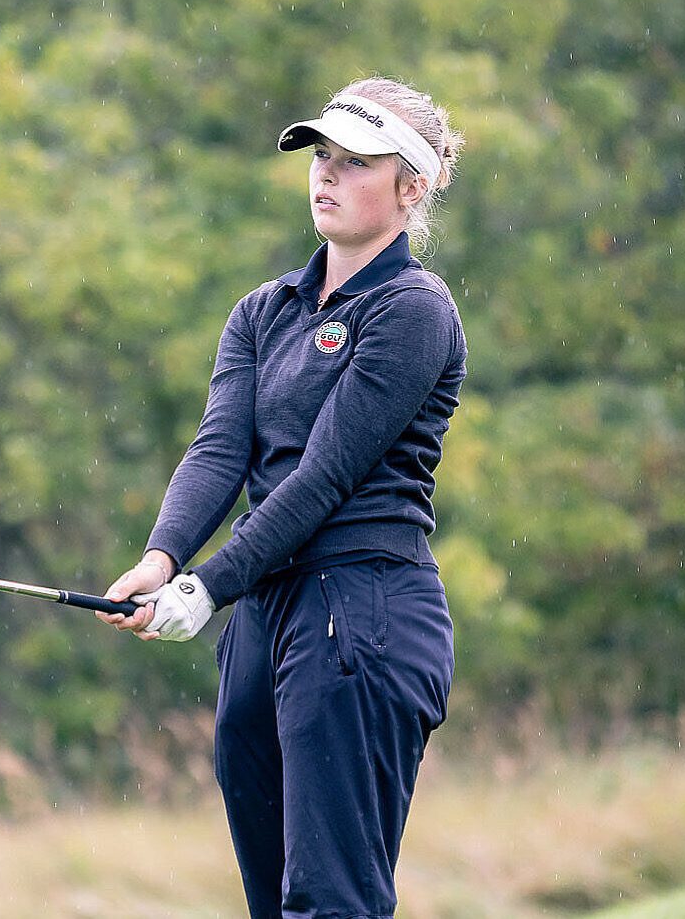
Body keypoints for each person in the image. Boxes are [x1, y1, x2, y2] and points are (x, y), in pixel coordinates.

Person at [98, 75, 467, 919]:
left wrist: (208, 585)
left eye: (356, 162)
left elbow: (326, 477)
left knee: (331, 902)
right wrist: (162, 560)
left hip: (361, 608)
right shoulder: (265, 311)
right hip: (266, 617)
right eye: (322, 157)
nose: (326, 175)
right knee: (276, 906)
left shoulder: (414, 310)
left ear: (412, 187)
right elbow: (221, 450)